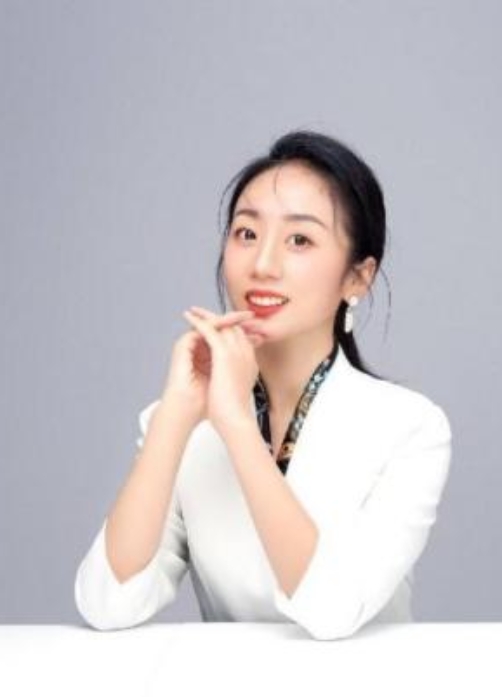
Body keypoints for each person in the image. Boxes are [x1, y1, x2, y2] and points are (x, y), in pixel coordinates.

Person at [74, 130, 452, 641]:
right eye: (247, 233)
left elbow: (334, 610)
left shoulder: (410, 428)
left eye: (300, 240)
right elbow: (107, 603)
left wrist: (235, 424)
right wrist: (175, 417)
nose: (263, 265)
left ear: (358, 277)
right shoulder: (182, 424)